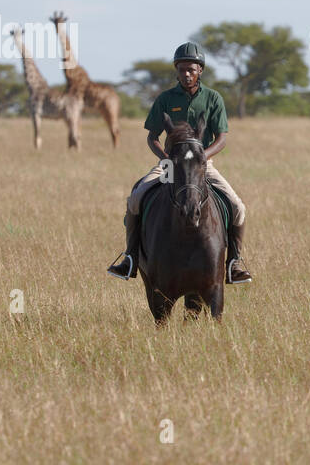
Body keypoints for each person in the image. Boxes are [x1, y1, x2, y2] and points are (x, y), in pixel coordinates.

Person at [106, 42, 252, 284]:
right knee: (135, 199)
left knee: (238, 207)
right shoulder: (165, 99)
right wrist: (166, 160)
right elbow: (152, 137)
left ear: (200, 71)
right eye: (182, 69)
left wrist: (201, 158)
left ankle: (234, 262)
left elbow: (222, 138)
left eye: (191, 70)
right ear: (176, 70)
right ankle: (130, 258)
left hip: (203, 164)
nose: (186, 74)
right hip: (169, 164)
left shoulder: (213, 98)